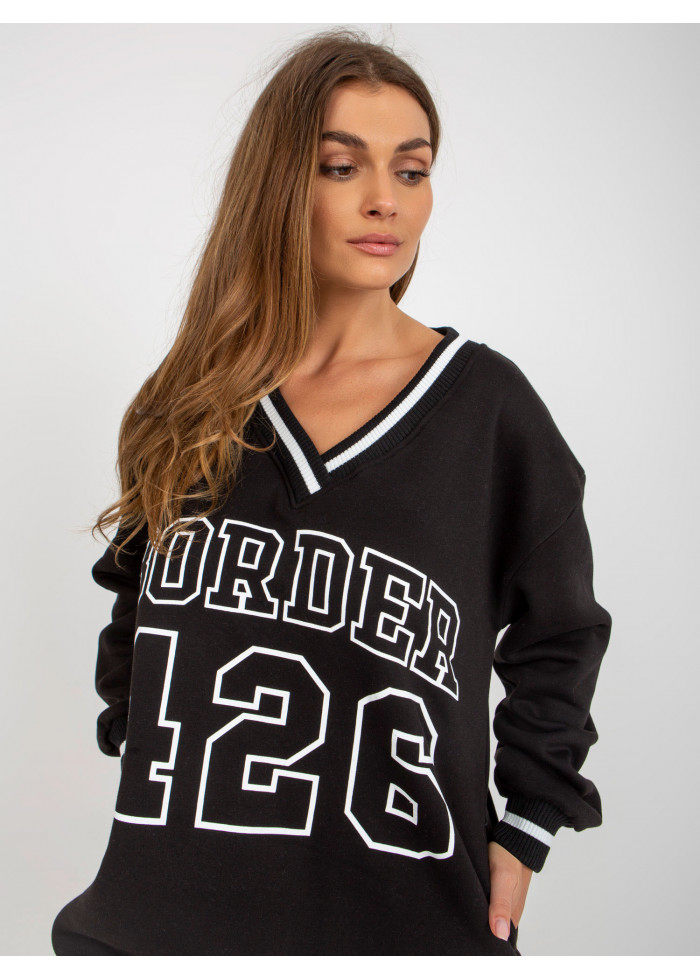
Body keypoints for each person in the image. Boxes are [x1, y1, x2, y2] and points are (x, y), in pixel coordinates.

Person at [51, 27, 612, 956]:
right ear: (280, 184)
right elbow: (136, 608)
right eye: (342, 167)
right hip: (157, 925)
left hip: (403, 925)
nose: (385, 199)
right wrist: (144, 740)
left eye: (412, 170)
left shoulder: (486, 407)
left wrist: (526, 825)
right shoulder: (190, 399)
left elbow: (562, 631)